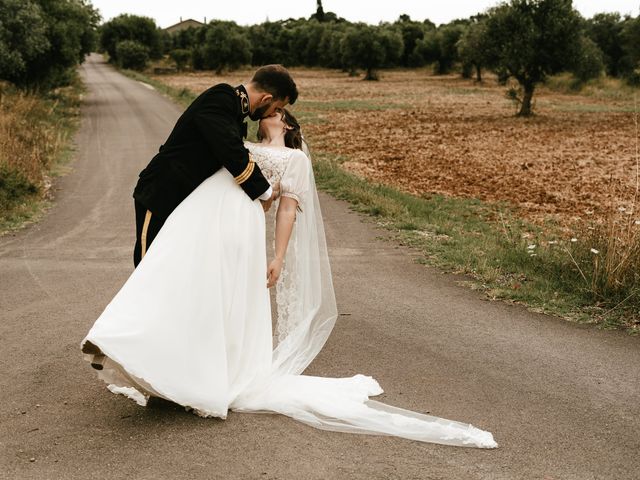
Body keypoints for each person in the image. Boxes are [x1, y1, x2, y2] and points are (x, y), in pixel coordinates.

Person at [80, 105, 497, 449]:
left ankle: (207, 376)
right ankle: (166, 362)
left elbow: (286, 210)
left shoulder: (294, 160)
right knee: (193, 294)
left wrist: (277, 256)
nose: (269, 113)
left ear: (289, 124)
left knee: (224, 305)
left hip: (242, 236)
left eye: (278, 111)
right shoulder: (238, 144)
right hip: (208, 227)